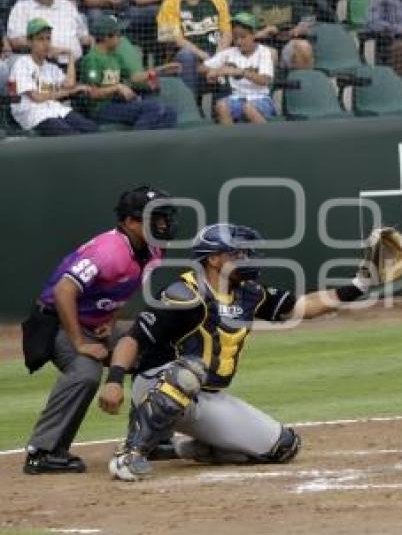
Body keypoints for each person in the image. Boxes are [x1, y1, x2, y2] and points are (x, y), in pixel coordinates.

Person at [97, 223, 380, 481]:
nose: (247, 258)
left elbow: (302, 306)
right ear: (213, 258)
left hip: (207, 397)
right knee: (189, 372)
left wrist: (360, 285)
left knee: (283, 447)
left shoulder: (248, 293)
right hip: (158, 384)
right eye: (237, 253)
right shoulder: (185, 294)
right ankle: (130, 454)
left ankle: (201, 447)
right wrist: (113, 381)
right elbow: (132, 339)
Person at [22, 187, 177, 474]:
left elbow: (122, 285)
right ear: (131, 222)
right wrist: (80, 342)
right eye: (155, 218)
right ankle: (43, 451)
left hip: (94, 322)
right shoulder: (108, 250)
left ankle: (150, 438)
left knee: (158, 349)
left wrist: (111, 317)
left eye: (164, 218)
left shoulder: (154, 248)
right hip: (57, 322)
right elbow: (64, 289)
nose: (163, 225)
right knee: (86, 372)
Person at [81, 15, 179, 130]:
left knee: (170, 112)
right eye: (117, 35)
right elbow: (93, 93)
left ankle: (156, 144)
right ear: (107, 37)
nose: (120, 39)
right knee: (153, 108)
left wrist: (161, 70)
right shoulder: (92, 59)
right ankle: (136, 144)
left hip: (119, 103)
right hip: (102, 109)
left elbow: (134, 77)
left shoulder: (114, 56)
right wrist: (117, 87)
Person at [9, 18, 99, 136]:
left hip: (55, 109)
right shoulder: (22, 63)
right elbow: (37, 97)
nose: (46, 43)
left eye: (48, 38)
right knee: (72, 137)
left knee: (93, 130)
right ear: (30, 42)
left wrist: (70, 54)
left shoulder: (51, 67)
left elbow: (69, 84)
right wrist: (70, 91)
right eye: (40, 39)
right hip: (33, 114)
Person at [230, 0, 327, 70]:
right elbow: (234, 34)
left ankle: (305, 84)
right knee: (269, 54)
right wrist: (259, 33)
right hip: (259, 45)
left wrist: (299, 28)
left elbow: (308, 19)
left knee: (303, 47)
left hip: (286, 43)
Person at [157, 0, 232, 95]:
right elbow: (172, 38)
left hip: (217, 54)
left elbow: (227, 32)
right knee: (187, 55)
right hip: (190, 59)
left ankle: (222, 108)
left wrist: (218, 57)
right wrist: (201, 54)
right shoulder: (169, 3)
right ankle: (190, 106)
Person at [202, 13, 276, 125]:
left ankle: (267, 140)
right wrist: (214, 71)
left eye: (243, 37)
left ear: (254, 35)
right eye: (235, 38)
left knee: (248, 108)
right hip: (237, 98)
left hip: (261, 99)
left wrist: (240, 72)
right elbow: (202, 67)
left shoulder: (264, 52)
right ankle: (231, 140)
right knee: (221, 105)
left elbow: (265, 80)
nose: (239, 42)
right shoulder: (229, 53)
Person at [7, 0, 92, 64]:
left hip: (76, 63)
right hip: (43, 64)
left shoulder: (67, 5)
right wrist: (46, 47)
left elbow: (84, 38)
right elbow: (15, 40)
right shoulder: (21, 7)